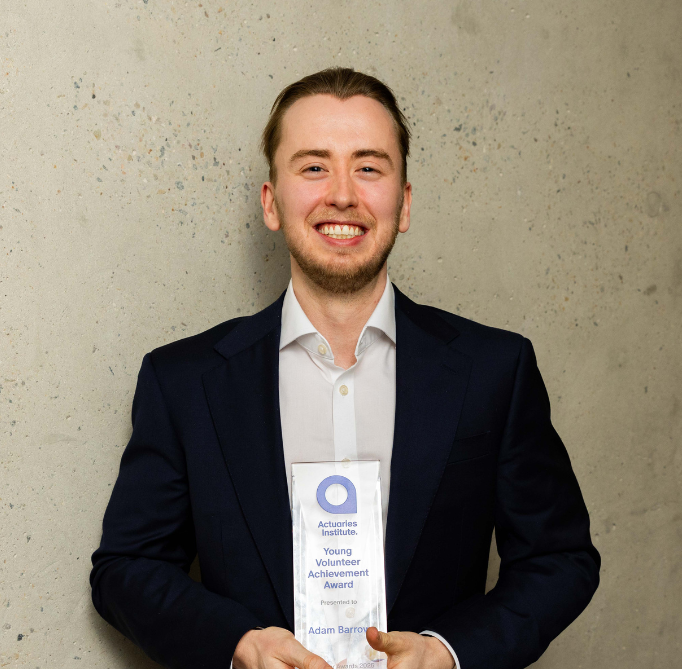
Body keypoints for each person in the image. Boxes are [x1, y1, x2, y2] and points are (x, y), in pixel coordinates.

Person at [90, 67, 600, 669]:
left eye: (368, 166)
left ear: (403, 202)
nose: (341, 194)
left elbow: (559, 559)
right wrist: (237, 643)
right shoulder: (184, 383)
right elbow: (127, 568)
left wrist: (451, 652)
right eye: (312, 166)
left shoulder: (494, 370)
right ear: (271, 202)